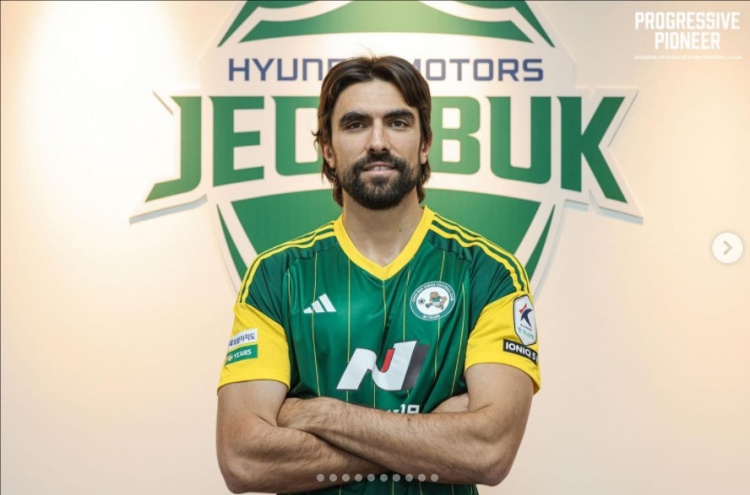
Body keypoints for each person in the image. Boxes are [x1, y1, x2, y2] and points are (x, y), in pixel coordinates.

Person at [216, 55, 541, 495]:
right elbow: (244, 460)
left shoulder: (490, 273)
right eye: (355, 124)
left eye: (398, 123)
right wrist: (434, 436)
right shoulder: (277, 276)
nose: (378, 142)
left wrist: (319, 414)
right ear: (328, 149)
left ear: (424, 144)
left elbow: (488, 451)